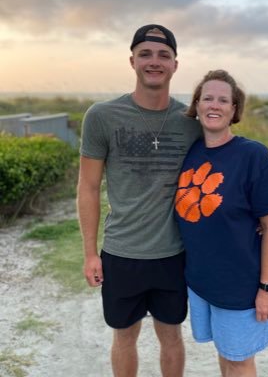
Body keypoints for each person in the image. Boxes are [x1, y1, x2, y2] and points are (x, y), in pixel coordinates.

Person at [76, 24, 201, 377]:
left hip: (173, 254)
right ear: (132, 61)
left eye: (163, 55)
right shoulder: (101, 117)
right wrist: (89, 252)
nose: (154, 61)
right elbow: (87, 186)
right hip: (121, 253)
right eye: (145, 54)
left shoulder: (190, 122)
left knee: (172, 336)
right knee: (124, 337)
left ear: (176, 64)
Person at [175, 69, 268, 377]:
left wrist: (267, 288)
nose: (215, 105)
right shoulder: (192, 151)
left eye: (223, 100)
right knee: (225, 354)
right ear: (196, 105)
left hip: (239, 286)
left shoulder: (253, 155)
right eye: (207, 98)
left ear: (234, 109)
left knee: (239, 361)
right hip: (201, 282)